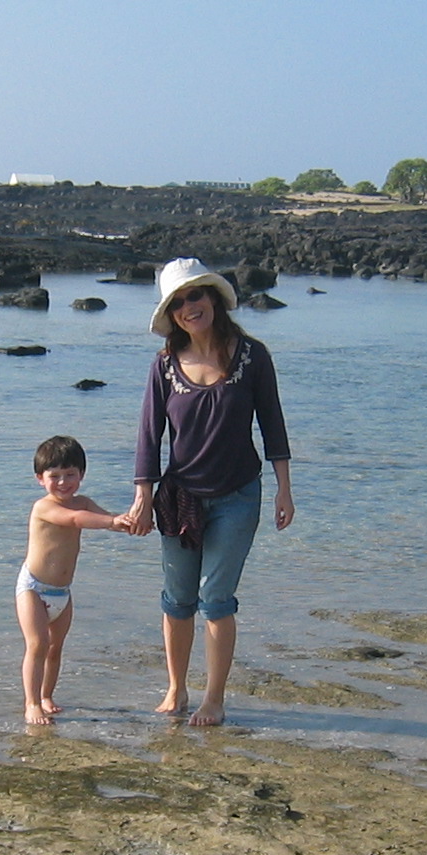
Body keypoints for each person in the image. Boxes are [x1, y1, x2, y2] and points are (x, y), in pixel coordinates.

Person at [125, 258, 293, 726]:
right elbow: (148, 436)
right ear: (171, 314)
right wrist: (142, 496)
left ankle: (213, 699)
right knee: (178, 599)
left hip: (238, 496)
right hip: (180, 499)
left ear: (213, 297)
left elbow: (273, 424)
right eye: (177, 302)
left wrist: (284, 489)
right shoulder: (164, 365)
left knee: (216, 599)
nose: (188, 307)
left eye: (194, 295)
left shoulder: (253, 356)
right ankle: (176, 688)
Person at [17, 435, 131, 725]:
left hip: (62, 593)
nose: (63, 482)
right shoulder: (43, 507)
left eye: (70, 474)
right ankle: (31, 703)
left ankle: (46, 696)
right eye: (54, 476)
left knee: (55, 648)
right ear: (40, 479)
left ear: (82, 474)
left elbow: (108, 519)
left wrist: (129, 522)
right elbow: (75, 520)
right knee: (38, 644)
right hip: (33, 588)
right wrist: (111, 522)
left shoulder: (84, 502)